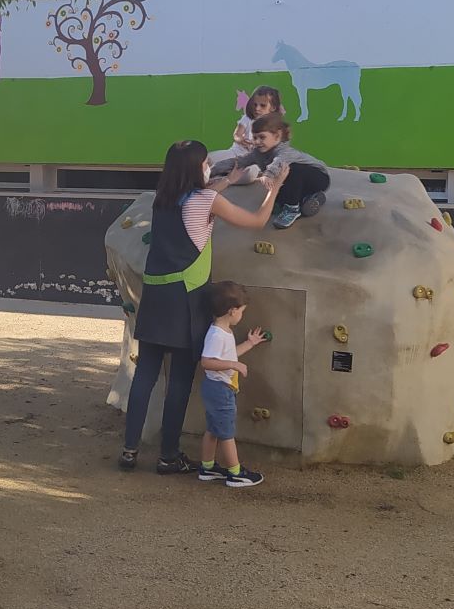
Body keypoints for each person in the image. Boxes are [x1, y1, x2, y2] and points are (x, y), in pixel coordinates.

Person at [121, 140, 285, 474]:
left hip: (155, 296)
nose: (210, 166)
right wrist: (275, 188)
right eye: (206, 162)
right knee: (180, 380)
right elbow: (256, 220)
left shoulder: (163, 199)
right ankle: (168, 456)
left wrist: (227, 181)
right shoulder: (206, 200)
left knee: (145, 375)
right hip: (186, 298)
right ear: (197, 168)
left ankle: (129, 450)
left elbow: (197, 197)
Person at [195, 280, 266, 487]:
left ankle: (207, 468)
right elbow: (207, 362)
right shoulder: (217, 334)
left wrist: (249, 343)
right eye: (242, 311)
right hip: (220, 389)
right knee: (226, 433)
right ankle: (235, 473)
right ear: (232, 311)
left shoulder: (223, 331)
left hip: (218, 388)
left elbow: (229, 354)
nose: (242, 315)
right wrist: (234, 365)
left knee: (213, 429)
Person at [212, 111, 331, 229]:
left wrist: (268, 174)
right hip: (298, 183)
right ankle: (310, 199)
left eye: (262, 137)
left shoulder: (284, 152)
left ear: (277, 136)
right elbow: (240, 162)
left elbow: (278, 163)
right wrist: (213, 170)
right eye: (255, 137)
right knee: (278, 197)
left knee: (291, 169)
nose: (257, 142)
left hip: (319, 177)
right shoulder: (257, 153)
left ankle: (292, 209)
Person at [212, 86, 284, 173]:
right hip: (236, 152)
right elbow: (237, 134)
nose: (257, 108)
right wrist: (240, 140)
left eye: (262, 105)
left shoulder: (274, 126)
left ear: (273, 107)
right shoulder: (247, 118)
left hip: (255, 160)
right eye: (255, 104)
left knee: (250, 171)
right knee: (209, 159)